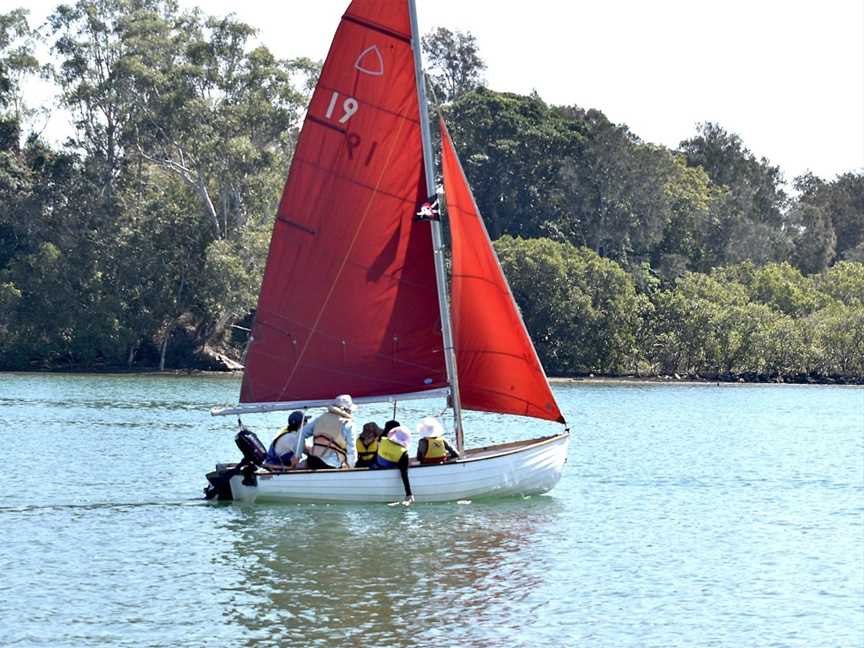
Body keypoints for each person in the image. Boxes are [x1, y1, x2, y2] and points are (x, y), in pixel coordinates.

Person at [291, 394, 358, 470]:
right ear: (347, 410)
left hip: (312, 460)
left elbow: (301, 433)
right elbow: (351, 450)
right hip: (330, 464)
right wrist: (351, 467)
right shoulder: (348, 424)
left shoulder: (320, 418)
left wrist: (297, 456)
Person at [373, 425, 413, 505]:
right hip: (391, 468)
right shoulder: (403, 453)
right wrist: (409, 494)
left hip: (378, 467)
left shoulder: (382, 440)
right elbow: (404, 474)